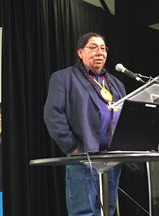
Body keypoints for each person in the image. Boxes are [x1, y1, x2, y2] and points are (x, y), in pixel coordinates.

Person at [44, 32, 126, 216]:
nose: (99, 52)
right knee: (84, 211)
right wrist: (73, 148)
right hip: (83, 155)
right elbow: (53, 115)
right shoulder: (64, 78)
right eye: (93, 47)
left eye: (103, 48)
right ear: (80, 52)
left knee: (108, 210)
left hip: (112, 157)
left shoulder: (116, 83)